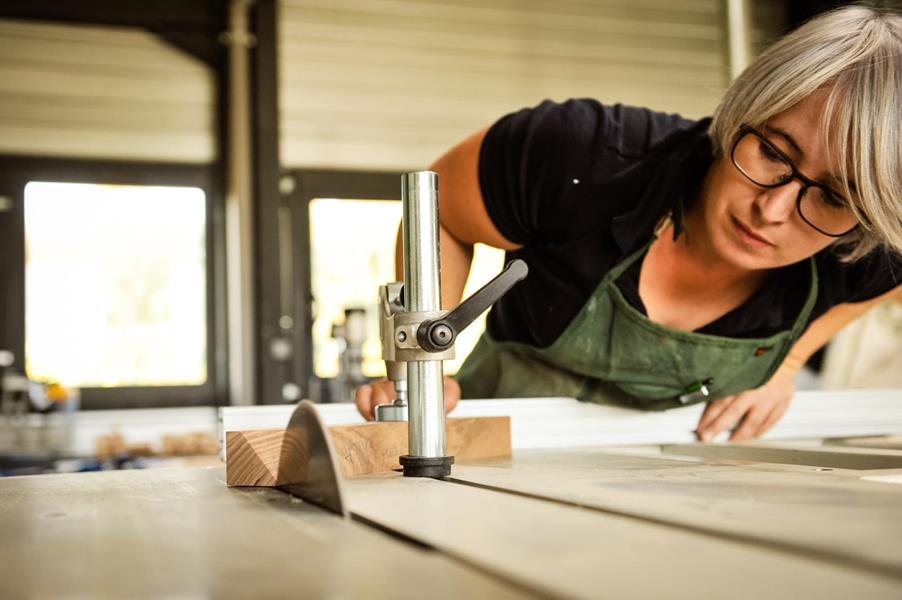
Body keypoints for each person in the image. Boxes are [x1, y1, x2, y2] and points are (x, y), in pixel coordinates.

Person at [356, 4, 902, 442]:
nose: (774, 210)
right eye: (773, 155)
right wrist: (418, 377)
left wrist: (791, 362)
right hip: (490, 456)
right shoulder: (582, 157)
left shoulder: (871, 249)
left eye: (832, 197)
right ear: (746, 109)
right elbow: (441, 207)